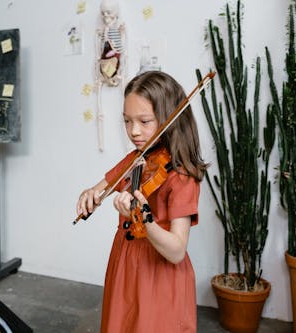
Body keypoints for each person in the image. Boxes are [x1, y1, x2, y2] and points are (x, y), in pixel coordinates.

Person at [76, 70, 208, 332]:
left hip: (158, 272)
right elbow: (101, 188)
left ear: (171, 118)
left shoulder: (182, 176)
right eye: (127, 121)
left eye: (144, 121)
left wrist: (144, 218)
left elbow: (176, 250)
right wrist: (89, 193)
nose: (134, 131)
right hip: (126, 263)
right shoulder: (138, 157)